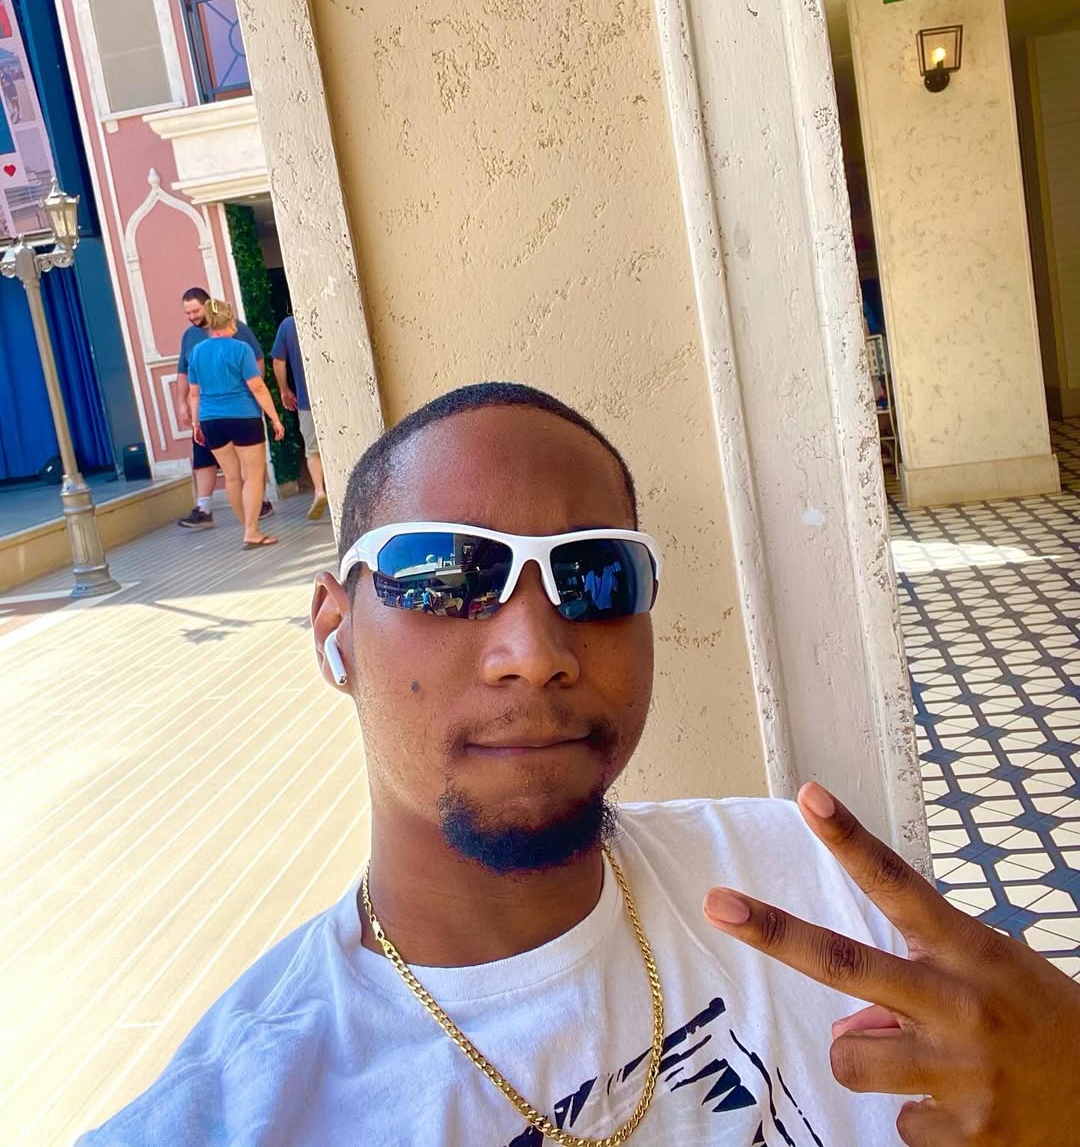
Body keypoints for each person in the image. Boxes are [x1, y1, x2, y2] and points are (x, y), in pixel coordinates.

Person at [82, 383, 1080, 1145]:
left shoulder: (795, 876)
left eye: (595, 576)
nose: (536, 652)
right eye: (446, 573)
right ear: (334, 629)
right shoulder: (252, 1107)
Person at [186, 298, 285, 550]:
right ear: (230, 320)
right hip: (243, 416)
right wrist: (274, 418)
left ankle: (248, 528)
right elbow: (257, 386)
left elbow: (194, 393)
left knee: (231, 477)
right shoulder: (241, 349)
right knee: (253, 475)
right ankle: (252, 531)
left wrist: (196, 424)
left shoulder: (196, 352)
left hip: (210, 419)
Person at [270, 312, 328, 520]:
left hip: (306, 400)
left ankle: (319, 490)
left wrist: (284, 391)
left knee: (313, 450)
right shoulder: (327, 314)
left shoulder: (288, 325)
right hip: (336, 396)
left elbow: (278, 361)